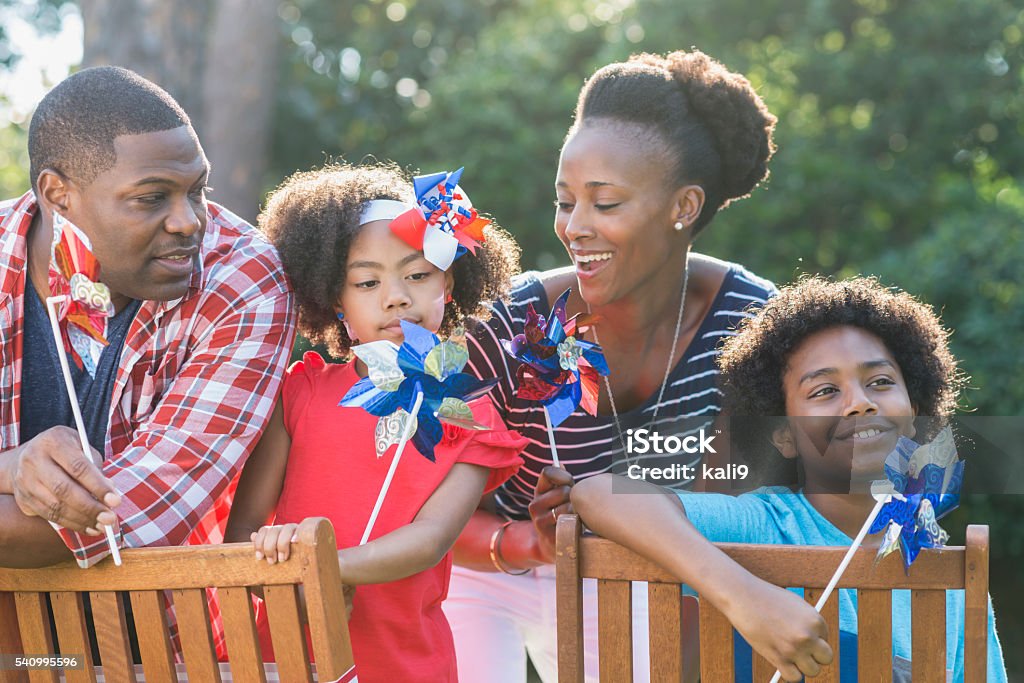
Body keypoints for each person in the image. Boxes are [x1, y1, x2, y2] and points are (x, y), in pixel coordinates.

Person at [445, 49, 779, 682]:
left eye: (606, 203)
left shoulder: (755, 326)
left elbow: (776, 497)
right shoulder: (511, 321)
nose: (575, 227)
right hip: (490, 567)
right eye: (565, 200)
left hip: (641, 577)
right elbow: (417, 503)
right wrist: (527, 544)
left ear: (683, 207)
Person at [572, 276, 1008, 682]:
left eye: (879, 382)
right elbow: (598, 493)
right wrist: (745, 598)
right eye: (824, 391)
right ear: (783, 434)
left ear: (914, 412)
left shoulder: (949, 576)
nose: (859, 403)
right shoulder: (766, 524)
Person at [224, 163, 528, 683]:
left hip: (405, 667)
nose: (396, 296)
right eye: (366, 281)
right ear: (333, 299)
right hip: (283, 662)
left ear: (448, 284)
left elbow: (430, 540)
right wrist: (275, 568)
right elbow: (243, 534)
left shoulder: (471, 413)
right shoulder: (300, 394)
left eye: (417, 274)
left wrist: (325, 567)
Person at [0, 66, 295, 569]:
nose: (188, 221)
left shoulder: (243, 279)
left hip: (152, 636)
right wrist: (8, 470)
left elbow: (134, 518)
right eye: (151, 198)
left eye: (197, 189)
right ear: (57, 195)